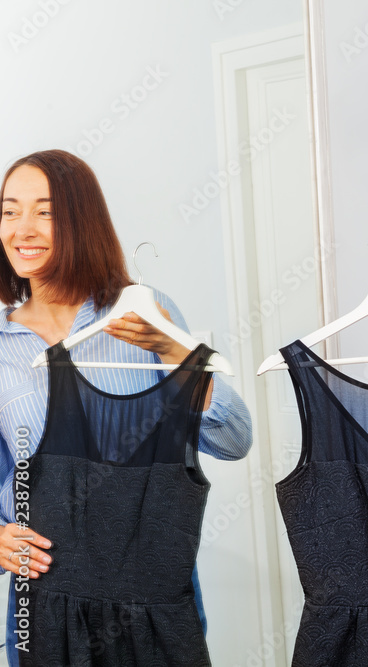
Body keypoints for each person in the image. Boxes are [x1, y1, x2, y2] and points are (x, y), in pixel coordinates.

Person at [0, 150, 253, 665]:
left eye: (45, 211)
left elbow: (233, 440)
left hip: (151, 589)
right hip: (43, 596)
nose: (22, 229)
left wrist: (175, 351)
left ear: (80, 220)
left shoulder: (143, 315)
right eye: (9, 210)